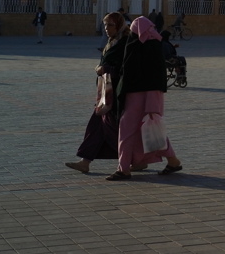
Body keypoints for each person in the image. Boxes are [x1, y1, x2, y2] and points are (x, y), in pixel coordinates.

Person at [108, 16, 181, 180]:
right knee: (150, 131)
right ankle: (173, 161)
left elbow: (146, 76)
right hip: (146, 96)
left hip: (139, 96)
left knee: (128, 131)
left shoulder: (139, 46)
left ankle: (124, 169)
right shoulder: (153, 44)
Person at [66, 12, 132, 174]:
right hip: (105, 91)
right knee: (98, 126)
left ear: (119, 25)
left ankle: (136, 158)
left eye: (110, 25)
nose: (107, 29)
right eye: (105, 25)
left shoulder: (125, 43)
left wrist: (105, 69)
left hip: (115, 94)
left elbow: (126, 68)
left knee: (110, 128)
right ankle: (85, 161)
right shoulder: (113, 41)